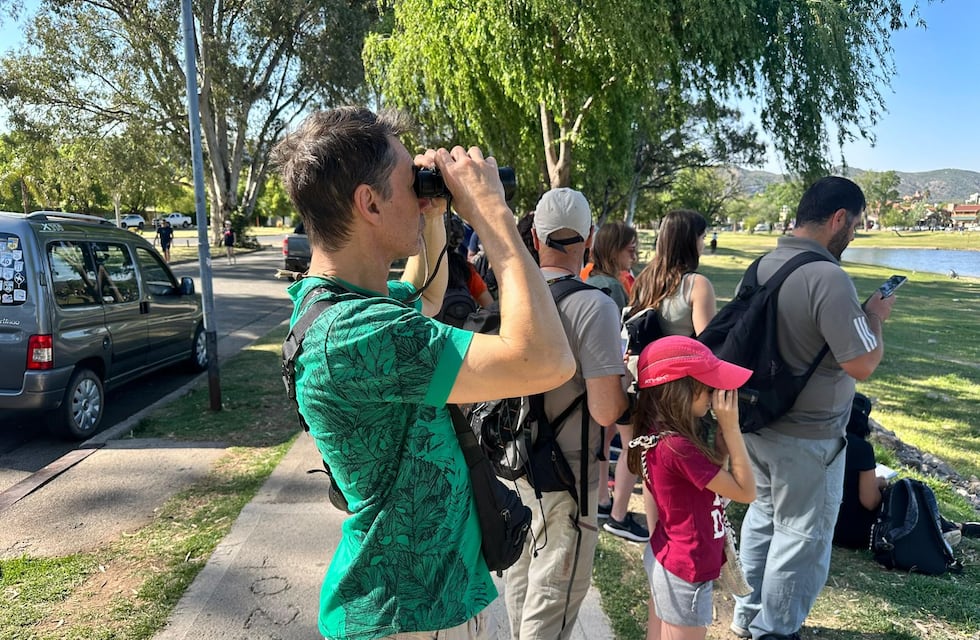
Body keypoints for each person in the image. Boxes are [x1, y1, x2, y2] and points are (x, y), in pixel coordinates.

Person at [270, 106, 575, 640]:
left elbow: (429, 295)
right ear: (369, 203)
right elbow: (546, 359)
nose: (419, 193)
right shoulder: (356, 333)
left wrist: (432, 215)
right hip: (408, 614)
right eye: (409, 183)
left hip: (429, 600)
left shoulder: (339, 305)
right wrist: (493, 217)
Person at [730, 176, 897, 640]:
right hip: (809, 437)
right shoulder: (828, 277)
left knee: (763, 519)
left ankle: (747, 617)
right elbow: (862, 363)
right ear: (839, 218)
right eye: (856, 225)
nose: (854, 235)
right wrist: (875, 320)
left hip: (756, 421)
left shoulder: (764, 264)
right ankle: (776, 630)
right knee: (801, 538)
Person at [504, 187, 629, 639]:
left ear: (535, 238)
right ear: (590, 237)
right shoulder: (594, 306)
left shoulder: (512, 297)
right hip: (568, 475)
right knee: (553, 599)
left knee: (522, 577)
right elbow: (605, 406)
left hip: (516, 464)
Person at [626, 336, 756, 640]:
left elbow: (701, 493)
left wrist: (722, 453)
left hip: (668, 557)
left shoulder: (659, 435)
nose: (714, 395)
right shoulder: (679, 447)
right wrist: (732, 429)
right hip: (684, 571)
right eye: (708, 387)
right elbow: (747, 492)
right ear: (681, 389)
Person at [610, 210, 717, 550]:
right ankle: (673, 537)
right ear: (691, 240)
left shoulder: (644, 279)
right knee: (675, 464)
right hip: (681, 393)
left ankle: (657, 536)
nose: (703, 242)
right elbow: (708, 345)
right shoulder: (696, 285)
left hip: (644, 386)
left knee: (648, 459)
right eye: (702, 236)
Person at [833, 392, 980, 550]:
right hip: (850, 533)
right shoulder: (861, 449)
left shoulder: (819, 441)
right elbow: (869, 502)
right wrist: (879, 484)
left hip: (814, 522)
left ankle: (951, 527)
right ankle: (949, 529)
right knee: (901, 495)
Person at [585, 221, 648, 543]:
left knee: (601, 441)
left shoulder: (596, 280)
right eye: (629, 247)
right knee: (632, 444)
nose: (634, 254)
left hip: (596, 380)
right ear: (613, 249)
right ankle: (619, 517)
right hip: (611, 379)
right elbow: (612, 341)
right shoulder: (609, 287)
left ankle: (602, 501)